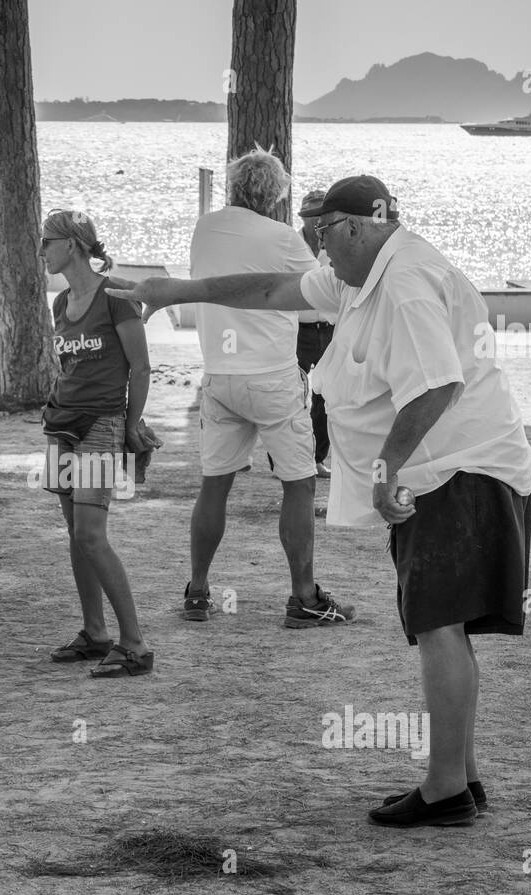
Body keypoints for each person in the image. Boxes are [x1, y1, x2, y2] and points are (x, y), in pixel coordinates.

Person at [110, 175, 531, 827]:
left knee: (439, 622)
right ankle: (464, 779)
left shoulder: (404, 281)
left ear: (360, 225)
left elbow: (438, 386)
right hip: (452, 468)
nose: (316, 248)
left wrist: (386, 466)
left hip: (458, 468)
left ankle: (446, 788)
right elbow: (272, 290)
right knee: (442, 625)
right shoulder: (362, 273)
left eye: (323, 233)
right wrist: (180, 293)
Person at [184, 148, 354, 629]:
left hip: (218, 375)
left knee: (214, 486)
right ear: (277, 194)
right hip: (273, 376)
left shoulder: (205, 228)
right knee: (298, 485)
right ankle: (303, 597)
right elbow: (318, 299)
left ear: (234, 187)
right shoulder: (282, 238)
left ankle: (197, 591)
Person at [39, 209, 154, 677]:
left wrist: (132, 426)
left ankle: (135, 645)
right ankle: (95, 632)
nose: (42, 250)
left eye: (47, 241)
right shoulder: (62, 302)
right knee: (75, 533)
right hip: (62, 424)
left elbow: (141, 368)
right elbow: (68, 369)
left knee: (90, 533)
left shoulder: (118, 296)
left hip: (102, 426)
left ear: (72, 244)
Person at [296, 188, 337, 478]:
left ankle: (318, 458)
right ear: (303, 217)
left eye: (320, 216)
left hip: (329, 329)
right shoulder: (290, 244)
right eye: (311, 216)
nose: (316, 221)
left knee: (326, 397)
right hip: (296, 330)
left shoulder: (334, 246)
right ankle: (284, 460)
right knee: (290, 395)